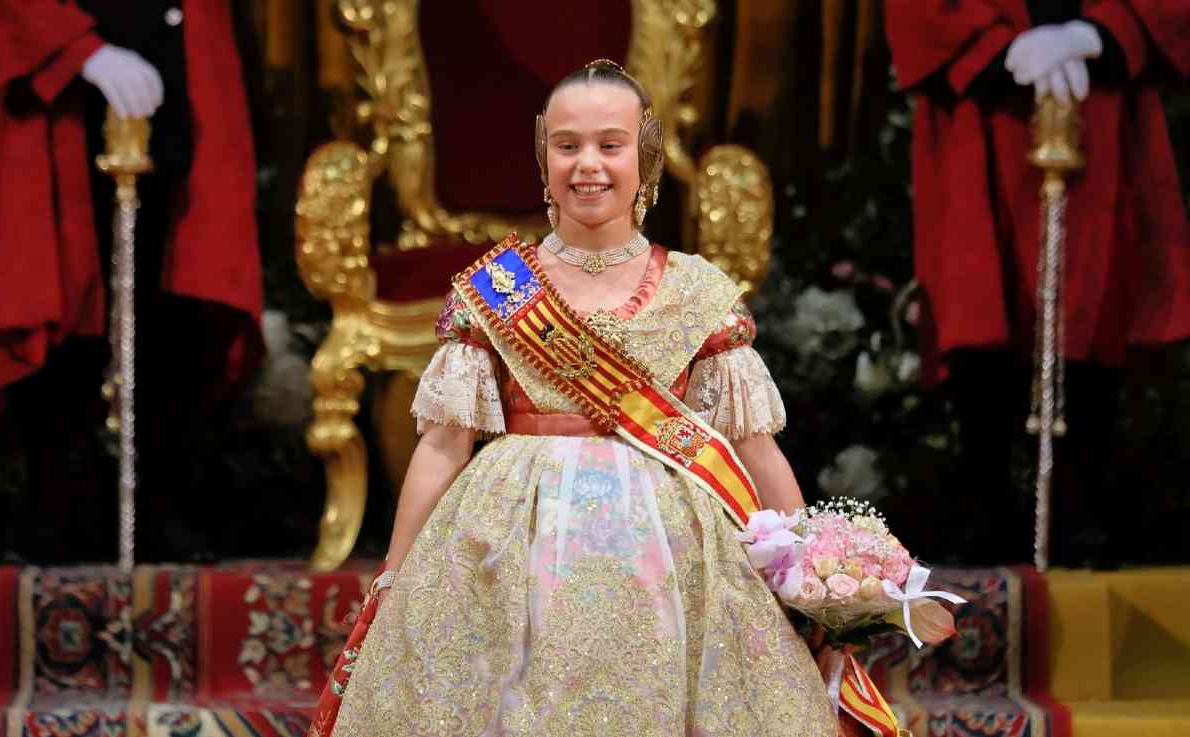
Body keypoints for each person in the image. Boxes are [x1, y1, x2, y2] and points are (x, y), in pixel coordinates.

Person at [309, 61, 837, 736]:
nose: (588, 164)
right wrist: (396, 573)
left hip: (673, 556)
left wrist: (810, 576)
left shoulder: (698, 292)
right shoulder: (499, 288)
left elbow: (754, 450)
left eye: (610, 144)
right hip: (511, 538)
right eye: (568, 145)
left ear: (645, 155)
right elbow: (443, 446)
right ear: (544, 154)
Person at [884, 1, 1190, 566]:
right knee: (983, 305)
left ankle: (1082, 518)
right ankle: (989, 523)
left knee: (1095, 301)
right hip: (986, 112)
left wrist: (1101, 35)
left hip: (1102, 105)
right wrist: (997, 51)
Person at [0, 0, 262, 561]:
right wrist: (76, 51)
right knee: (64, 291)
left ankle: (160, 506)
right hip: (63, 91)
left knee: (177, 293)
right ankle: (56, 503)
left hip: (171, 64)